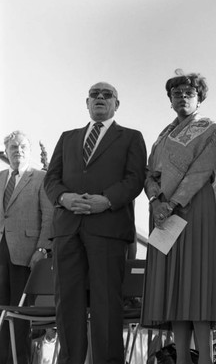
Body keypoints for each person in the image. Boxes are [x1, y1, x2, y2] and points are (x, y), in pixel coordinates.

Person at [44, 82, 147, 364]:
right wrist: (63, 197)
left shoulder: (131, 137)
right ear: (87, 104)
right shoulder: (67, 138)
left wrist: (107, 200)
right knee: (67, 305)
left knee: (106, 305)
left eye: (107, 95)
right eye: (94, 95)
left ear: (116, 104)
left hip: (108, 229)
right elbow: (51, 179)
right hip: (67, 230)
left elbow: (135, 179)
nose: (100, 98)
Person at [141, 71, 216, 364]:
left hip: (194, 209)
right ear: (170, 100)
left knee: (196, 282)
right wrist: (155, 200)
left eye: (189, 93)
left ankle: (204, 358)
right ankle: (181, 358)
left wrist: (173, 201)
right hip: (164, 213)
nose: (182, 97)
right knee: (174, 285)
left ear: (199, 98)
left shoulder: (211, 129)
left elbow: (202, 170)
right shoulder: (162, 136)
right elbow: (149, 173)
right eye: (176, 93)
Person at [0, 131, 53, 364]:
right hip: (1, 252)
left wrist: (42, 249)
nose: (17, 151)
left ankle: (18, 359)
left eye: (22, 147)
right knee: (2, 310)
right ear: (6, 152)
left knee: (20, 313)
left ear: (29, 152)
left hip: (26, 253)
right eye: (13, 147)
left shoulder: (40, 178)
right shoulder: (0, 177)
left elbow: (50, 215)